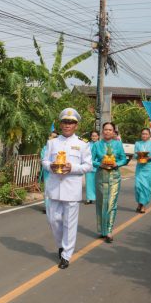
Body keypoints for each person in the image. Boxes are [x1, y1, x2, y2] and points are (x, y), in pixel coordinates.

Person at [42, 108, 92, 269]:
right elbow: (44, 161)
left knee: (70, 224)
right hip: (55, 187)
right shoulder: (52, 142)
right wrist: (52, 165)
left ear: (76, 125)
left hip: (71, 189)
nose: (67, 125)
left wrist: (73, 168)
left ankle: (66, 255)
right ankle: (61, 245)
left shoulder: (82, 144)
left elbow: (88, 166)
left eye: (70, 122)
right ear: (61, 124)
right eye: (65, 122)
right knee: (53, 220)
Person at [92, 121, 128, 243]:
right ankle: (102, 230)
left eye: (110, 130)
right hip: (100, 177)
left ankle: (109, 231)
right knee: (101, 203)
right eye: (105, 129)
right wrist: (99, 164)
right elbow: (91, 160)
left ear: (113, 132)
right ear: (102, 131)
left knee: (111, 204)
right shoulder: (96, 145)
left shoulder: (118, 144)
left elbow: (124, 159)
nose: (107, 132)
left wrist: (116, 164)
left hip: (114, 177)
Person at [134, 128, 151, 213]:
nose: (144, 135)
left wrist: (147, 157)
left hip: (148, 167)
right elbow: (135, 154)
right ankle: (139, 203)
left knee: (145, 187)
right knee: (138, 186)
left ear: (149, 135)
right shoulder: (137, 143)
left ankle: (143, 205)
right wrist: (139, 156)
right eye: (143, 134)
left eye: (146, 134)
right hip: (139, 167)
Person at [40, 132, 58, 214]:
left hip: (58, 172)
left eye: (54, 137)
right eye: (51, 136)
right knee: (47, 189)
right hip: (48, 172)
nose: (52, 138)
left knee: (56, 190)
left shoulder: (60, 148)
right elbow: (43, 158)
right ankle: (47, 207)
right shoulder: (45, 148)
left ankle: (55, 207)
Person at [84, 130, 100, 204]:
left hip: (98, 166)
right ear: (91, 137)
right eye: (93, 136)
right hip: (89, 166)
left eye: (95, 136)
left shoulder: (101, 145)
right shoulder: (87, 144)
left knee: (98, 183)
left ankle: (98, 198)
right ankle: (89, 198)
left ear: (98, 136)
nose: (94, 137)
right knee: (89, 182)